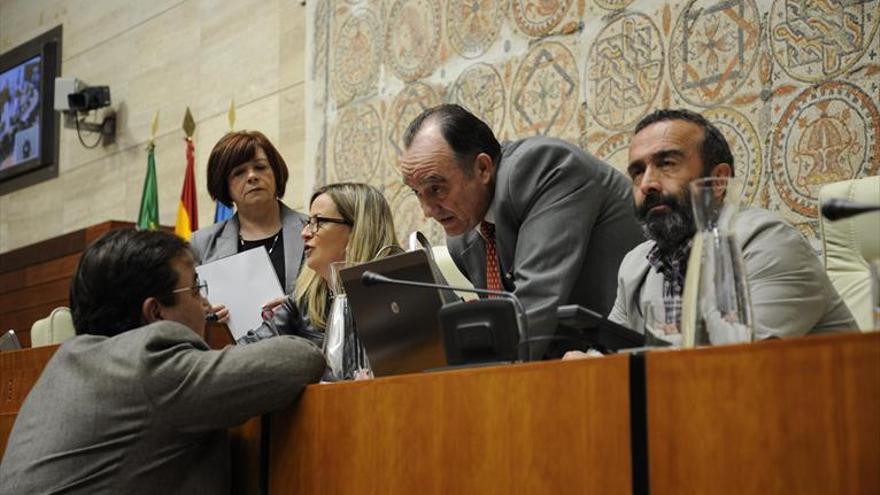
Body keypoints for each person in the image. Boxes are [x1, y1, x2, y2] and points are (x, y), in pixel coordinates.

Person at [0, 229, 325, 494]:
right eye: (196, 289)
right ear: (155, 312)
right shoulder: (149, 358)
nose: (205, 304)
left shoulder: (65, 361)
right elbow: (300, 359)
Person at [399, 104, 643, 359]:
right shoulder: (462, 236)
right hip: (561, 364)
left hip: (636, 355)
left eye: (436, 189)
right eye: (417, 192)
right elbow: (498, 322)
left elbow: (532, 308)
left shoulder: (543, 168)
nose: (427, 210)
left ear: (482, 168)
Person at [603, 108, 855, 344]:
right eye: (637, 171)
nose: (647, 183)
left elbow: (734, 367)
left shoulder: (768, 243)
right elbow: (611, 352)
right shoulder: (636, 267)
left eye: (667, 163)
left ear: (718, 180)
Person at [254, 182, 400, 345]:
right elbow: (252, 346)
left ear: (357, 228)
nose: (304, 233)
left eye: (319, 222)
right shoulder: (306, 295)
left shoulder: (398, 289)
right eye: (308, 222)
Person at [191, 131, 308, 321]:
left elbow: (335, 298)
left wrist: (300, 309)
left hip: (300, 346)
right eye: (239, 172)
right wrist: (205, 315)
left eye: (260, 167)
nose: (252, 176)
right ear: (224, 185)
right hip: (232, 349)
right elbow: (188, 309)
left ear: (276, 173)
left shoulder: (312, 230)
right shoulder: (202, 243)